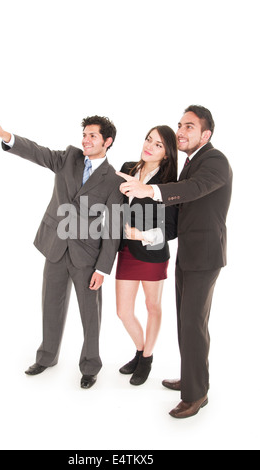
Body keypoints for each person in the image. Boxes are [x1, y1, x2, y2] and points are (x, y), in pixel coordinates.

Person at [0, 114, 124, 389]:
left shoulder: (113, 180)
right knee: (50, 304)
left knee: (90, 315)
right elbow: (38, 152)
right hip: (56, 247)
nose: (85, 139)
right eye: (84, 134)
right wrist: (5, 135)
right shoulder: (69, 158)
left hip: (87, 256)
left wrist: (103, 268)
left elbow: (113, 228)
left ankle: (90, 365)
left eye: (92, 135)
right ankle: (47, 357)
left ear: (107, 142)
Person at [117, 105, 233, 418]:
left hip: (204, 257)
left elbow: (191, 190)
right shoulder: (191, 163)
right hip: (190, 254)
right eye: (180, 125)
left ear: (205, 134)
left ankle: (195, 396)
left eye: (190, 127)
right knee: (187, 323)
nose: (181, 131)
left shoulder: (215, 160)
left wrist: (148, 189)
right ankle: (193, 379)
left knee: (193, 325)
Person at [116, 125, 178, 386]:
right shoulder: (128, 168)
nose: (149, 146)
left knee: (152, 307)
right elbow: (115, 208)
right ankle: (141, 351)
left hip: (153, 252)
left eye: (158, 144)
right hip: (127, 252)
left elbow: (172, 229)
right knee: (123, 312)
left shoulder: (169, 183)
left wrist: (139, 235)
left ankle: (147, 358)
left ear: (166, 154)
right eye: (148, 139)